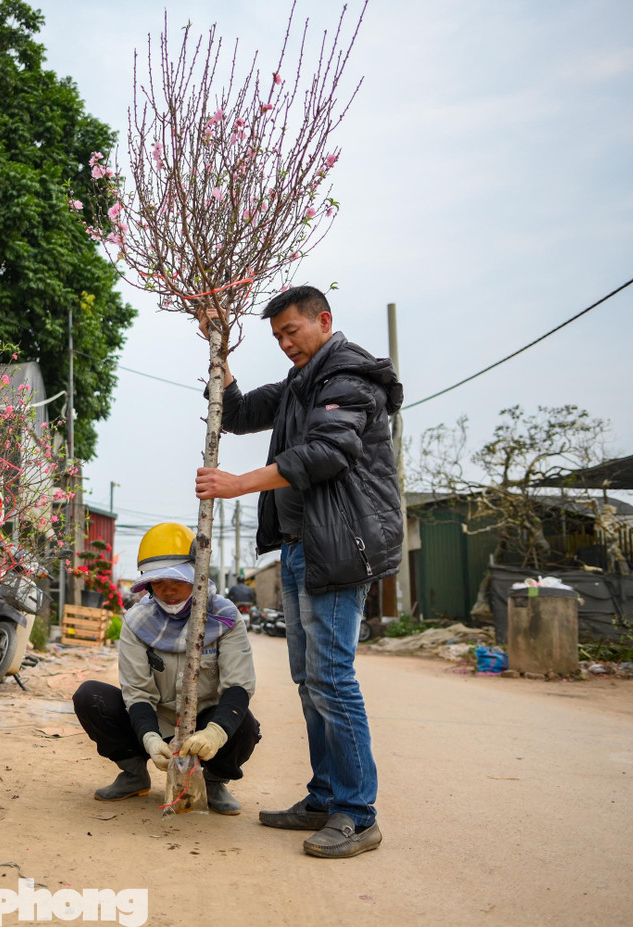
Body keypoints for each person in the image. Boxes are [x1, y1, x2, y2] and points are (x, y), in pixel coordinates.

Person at [195, 285, 403, 858]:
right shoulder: (298, 386)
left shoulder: (349, 381)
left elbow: (325, 454)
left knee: (333, 680)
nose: (287, 344)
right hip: (295, 547)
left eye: (293, 331)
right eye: (278, 336)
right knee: (310, 684)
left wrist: (237, 484)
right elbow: (236, 413)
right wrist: (218, 343)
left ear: (323, 320)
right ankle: (324, 797)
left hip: (335, 548)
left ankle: (358, 815)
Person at [72, 523, 262, 815]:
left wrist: (214, 733)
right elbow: (137, 692)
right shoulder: (137, 622)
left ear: (197, 576)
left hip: (205, 722)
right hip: (156, 719)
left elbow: (239, 685)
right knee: (90, 696)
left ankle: (213, 782)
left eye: (177, 580)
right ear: (147, 585)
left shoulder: (226, 618)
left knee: (244, 723)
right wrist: (149, 737)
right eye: (158, 582)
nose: (168, 590)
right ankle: (134, 774)